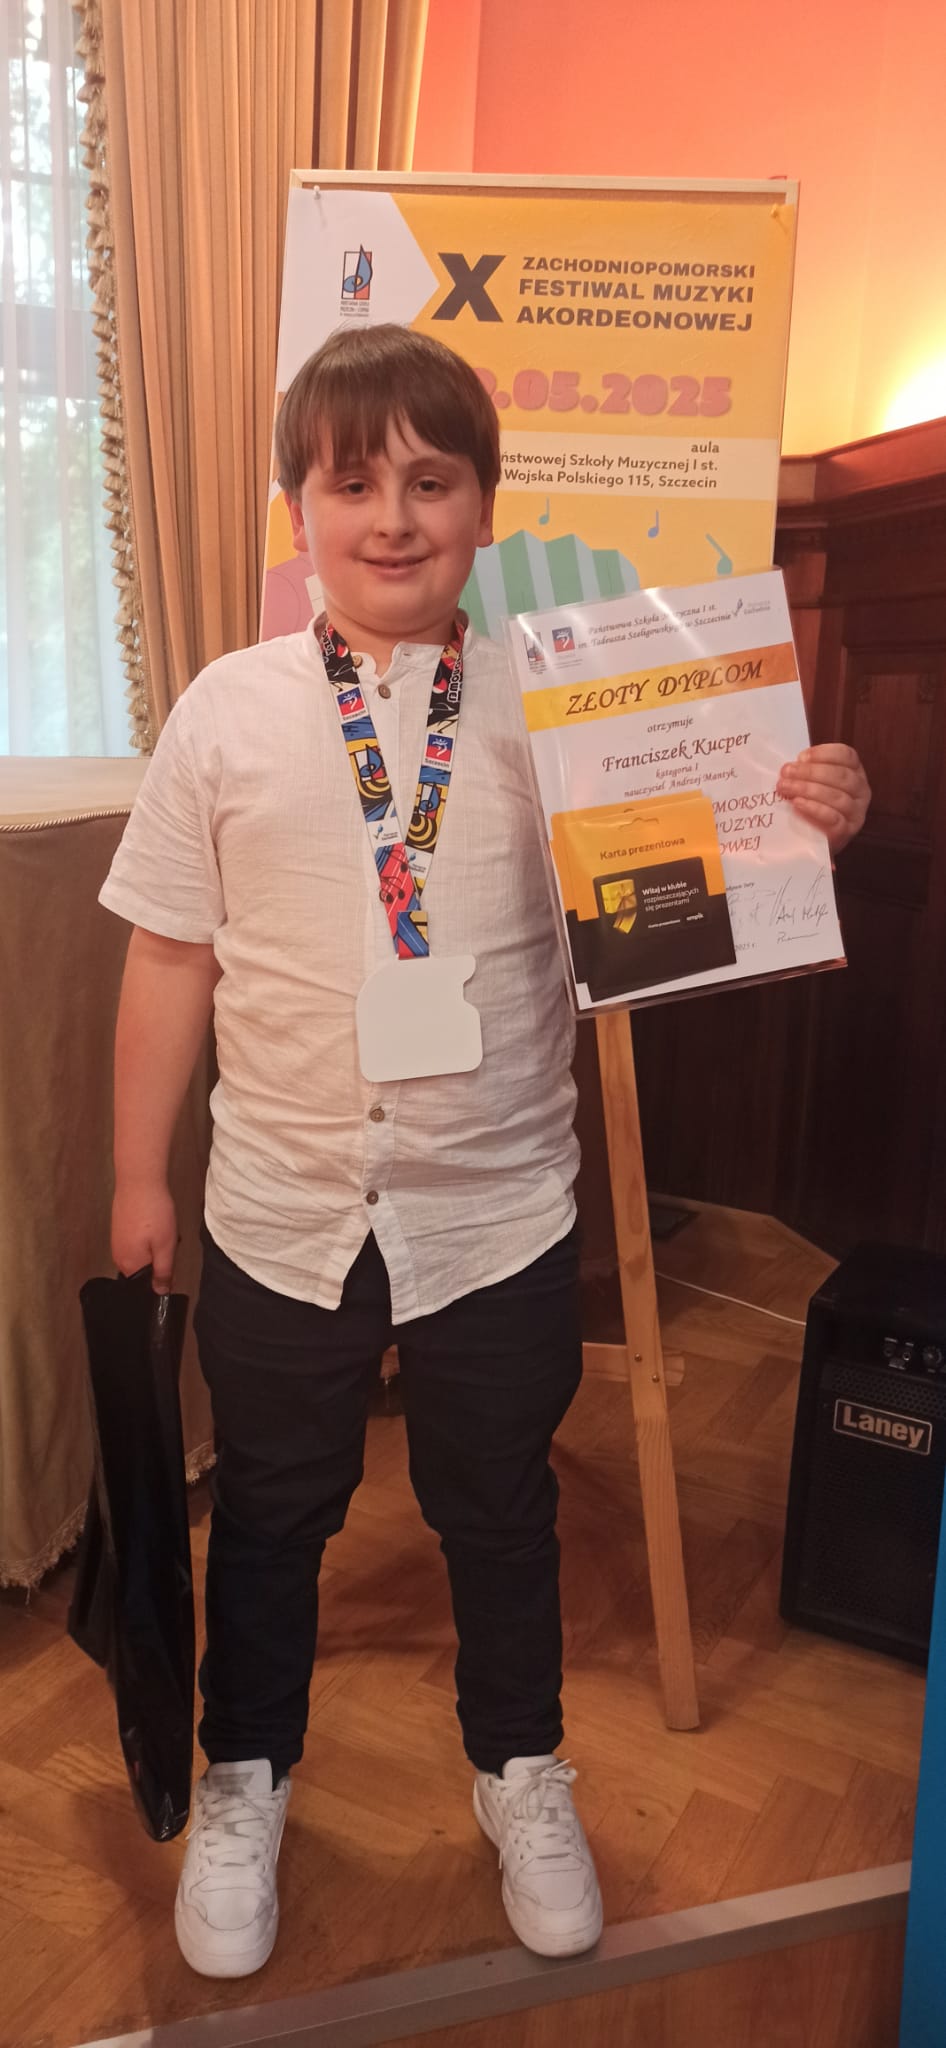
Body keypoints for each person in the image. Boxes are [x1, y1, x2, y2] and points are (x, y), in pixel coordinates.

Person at [101, 324, 871, 1981]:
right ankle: (247, 1771)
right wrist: (138, 1176)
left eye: (430, 482)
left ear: (483, 507)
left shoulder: (572, 706)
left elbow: (704, 912)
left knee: (499, 1513)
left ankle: (518, 1765)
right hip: (279, 1205)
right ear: (297, 508)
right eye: (351, 482)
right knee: (274, 1512)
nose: (392, 516)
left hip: (501, 1212)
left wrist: (798, 817)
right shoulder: (226, 712)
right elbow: (168, 953)